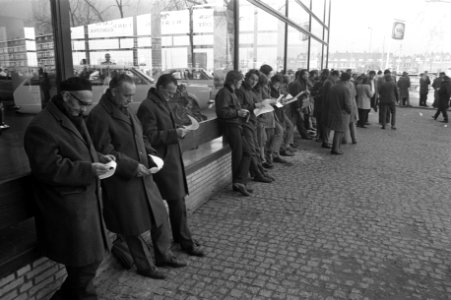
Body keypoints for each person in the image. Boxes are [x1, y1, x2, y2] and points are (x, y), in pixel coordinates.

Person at [87, 74, 187, 280]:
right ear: (113, 91)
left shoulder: (127, 109)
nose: (130, 100)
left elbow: (141, 136)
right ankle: (145, 266)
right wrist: (132, 167)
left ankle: (163, 255)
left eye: (132, 95)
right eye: (126, 95)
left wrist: (151, 156)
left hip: (144, 175)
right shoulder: (99, 115)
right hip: (122, 180)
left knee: (159, 216)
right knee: (131, 226)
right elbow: (104, 150)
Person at [24, 77, 113, 299]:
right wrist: (88, 169)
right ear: (66, 96)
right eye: (82, 103)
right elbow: (48, 168)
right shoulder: (41, 126)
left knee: (87, 266)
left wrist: (100, 157)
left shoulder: (72, 115)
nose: (85, 110)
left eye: (88, 104)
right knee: (84, 268)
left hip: (85, 207)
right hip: (68, 211)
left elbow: (80, 149)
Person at [137, 74, 205, 257]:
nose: (170, 96)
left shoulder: (162, 102)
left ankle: (181, 239)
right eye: (168, 92)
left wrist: (179, 128)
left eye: (173, 93)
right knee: (177, 202)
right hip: (163, 161)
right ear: (159, 88)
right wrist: (174, 133)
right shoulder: (148, 106)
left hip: (172, 158)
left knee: (178, 202)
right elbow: (148, 136)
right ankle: (185, 242)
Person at [214, 70, 252, 196]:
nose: (241, 83)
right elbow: (222, 112)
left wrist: (240, 112)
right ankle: (238, 182)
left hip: (235, 125)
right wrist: (237, 113)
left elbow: (230, 109)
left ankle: (240, 182)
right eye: (240, 81)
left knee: (245, 153)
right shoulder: (224, 93)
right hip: (231, 127)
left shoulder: (230, 92)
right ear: (234, 81)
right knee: (239, 154)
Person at [236, 69, 274, 183]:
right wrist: (256, 105)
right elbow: (240, 107)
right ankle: (257, 174)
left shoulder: (251, 90)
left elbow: (253, 105)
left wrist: (261, 107)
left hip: (253, 122)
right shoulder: (241, 90)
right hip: (245, 123)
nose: (254, 82)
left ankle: (259, 171)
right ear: (246, 78)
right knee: (252, 150)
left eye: (256, 80)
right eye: (252, 79)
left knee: (256, 149)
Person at [326, 72, 352, 155]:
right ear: (347, 80)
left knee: (337, 130)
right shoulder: (345, 89)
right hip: (342, 113)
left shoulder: (333, 87)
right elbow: (347, 103)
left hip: (333, 111)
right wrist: (349, 111)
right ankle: (336, 148)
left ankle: (335, 148)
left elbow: (328, 100)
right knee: (340, 131)